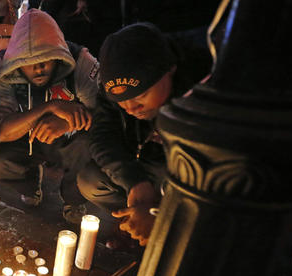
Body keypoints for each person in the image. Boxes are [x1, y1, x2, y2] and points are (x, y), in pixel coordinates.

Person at [76, 22, 211, 247]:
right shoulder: (113, 92)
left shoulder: (200, 93)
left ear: (170, 70)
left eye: (142, 95)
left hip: (187, 175)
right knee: (91, 180)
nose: (130, 107)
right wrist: (135, 182)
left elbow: (206, 172)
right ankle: (136, 224)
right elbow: (102, 136)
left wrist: (158, 212)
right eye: (121, 100)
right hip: (144, 162)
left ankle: (171, 237)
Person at [0, 8, 99, 223]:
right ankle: (30, 183)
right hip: (26, 140)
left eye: (46, 59)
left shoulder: (81, 61)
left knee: (87, 144)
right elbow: (0, 130)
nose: (38, 69)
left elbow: (103, 113)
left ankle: (74, 199)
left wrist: (67, 123)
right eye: (28, 63)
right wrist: (49, 107)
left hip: (68, 141)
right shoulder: (3, 69)